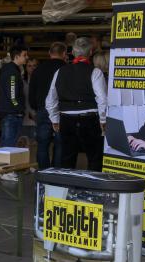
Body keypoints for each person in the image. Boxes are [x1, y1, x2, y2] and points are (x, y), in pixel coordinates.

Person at [47, 36, 107, 170]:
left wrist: (55, 119)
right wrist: (103, 120)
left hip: (66, 119)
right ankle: (93, 189)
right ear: (90, 52)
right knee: (94, 158)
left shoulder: (60, 72)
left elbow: (50, 99)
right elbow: (102, 99)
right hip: (89, 119)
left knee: (67, 159)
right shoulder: (95, 72)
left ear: (73, 53)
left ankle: (67, 189)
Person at [28, 42, 67, 169]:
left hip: (43, 110)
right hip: (61, 110)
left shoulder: (38, 70)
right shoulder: (67, 69)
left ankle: (44, 173)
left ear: (49, 53)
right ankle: (56, 173)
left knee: (42, 145)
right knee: (60, 144)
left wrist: (36, 108)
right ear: (64, 54)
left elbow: (31, 92)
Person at [0, 44, 29, 148]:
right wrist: (18, 109)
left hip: (10, 112)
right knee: (9, 145)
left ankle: (2, 163)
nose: (27, 57)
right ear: (16, 56)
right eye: (24, 55)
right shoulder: (12, 72)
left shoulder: (12, 70)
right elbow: (12, 95)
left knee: (7, 144)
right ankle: (4, 164)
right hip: (12, 114)